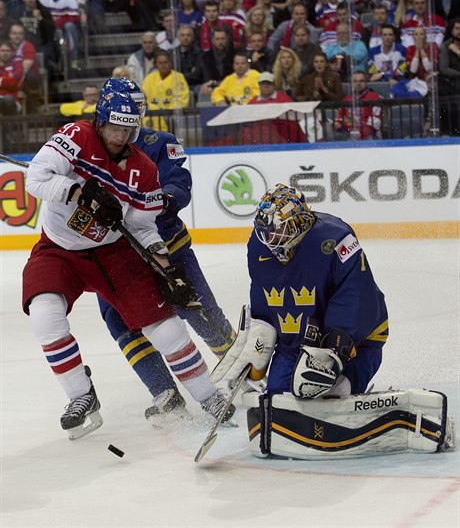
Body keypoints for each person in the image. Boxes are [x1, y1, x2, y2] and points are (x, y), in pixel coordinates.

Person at [22, 89, 235, 440]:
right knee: (45, 314)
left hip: (114, 252)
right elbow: (36, 179)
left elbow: (142, 226)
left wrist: (164, 265)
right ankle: (81, 396)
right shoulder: (75, 136)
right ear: (100, 122)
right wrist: (81, 193)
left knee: (166, 326)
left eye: (127, 128)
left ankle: (209, 396)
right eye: (114, 128)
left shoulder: (144, 168)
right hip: (59, 249)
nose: (120, 136)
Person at [96, 77, 236, 418]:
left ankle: (241, 369)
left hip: (167, 248)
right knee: (123, 323)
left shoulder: (159, 143)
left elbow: (179, 184)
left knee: (198, 308)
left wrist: (162, 199)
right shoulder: (87, 151)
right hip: (115, 258)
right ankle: (164, 392)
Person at [212, 182, 388, 402]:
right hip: (294, 344)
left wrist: (335, 346)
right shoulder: (258, 245)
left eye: (278, 230)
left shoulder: (336, 238)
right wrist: (261, 332)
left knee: (331, 393)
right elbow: (262, 291)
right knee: (277, 400)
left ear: (299, 224)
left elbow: (355, 295)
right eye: (266, 231)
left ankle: (350, 384)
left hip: (355, 341)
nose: (270, 238)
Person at [39, 0, 82, 69]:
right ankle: (53, 63)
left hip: (66, 30)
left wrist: (57, 24)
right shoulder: (44, 1)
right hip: (50, 30)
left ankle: (73, 59)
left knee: (69, 26)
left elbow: (73, 18)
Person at [142, 50, 190, 130]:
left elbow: (183, 98)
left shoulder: (178, 77)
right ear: (156, 64)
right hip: (153, 114)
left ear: (170, 63)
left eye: (165, 62)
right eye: (160, 63)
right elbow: (144, 98)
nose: (163, 65)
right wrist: (154, 109)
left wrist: (168, 111)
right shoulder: (149, 78)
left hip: (172, 115)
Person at [333, 70, 382, 140]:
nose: (358, 83)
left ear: (366, 83)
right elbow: (340, 116)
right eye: (355, 81)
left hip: (370, 135)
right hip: (350, 134)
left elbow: (375, 121)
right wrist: (338, 122)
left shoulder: (374, 98)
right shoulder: (346, 99)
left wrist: (360, 134)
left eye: (361, 81)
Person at [0, 39, 24, 114]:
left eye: (8, 51)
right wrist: (7, 78)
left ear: (12, 52)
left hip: (12, 98)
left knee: (8, 99)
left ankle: (10, 125)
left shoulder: (17, 65)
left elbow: (13, 84)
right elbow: (10, 82)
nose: (5, 53)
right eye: (2, 51)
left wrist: (1, 81)